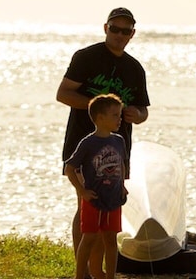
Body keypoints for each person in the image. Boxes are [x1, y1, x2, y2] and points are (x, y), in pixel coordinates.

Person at [56, 8, 151, 258]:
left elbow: (143, 111)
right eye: (115, 29)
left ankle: (99, 270)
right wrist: (100, 107)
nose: (120, 35)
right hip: (84, 144)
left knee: (108, 209)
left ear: (132, 34)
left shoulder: (134, 68)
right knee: (87, 206)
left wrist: (136, 115)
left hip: (117, 150)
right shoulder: (86, 57)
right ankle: (83, 269)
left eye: (125, 31)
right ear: (105, 28)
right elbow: (63, 93)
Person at [64, 94, 129, 279]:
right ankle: (80, 275)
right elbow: (70, 169)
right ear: (100, 118)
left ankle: (110, 276)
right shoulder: (88, 143)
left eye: (120, 114)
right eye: (115, 115)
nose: (120, 119)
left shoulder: (118, 140)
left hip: (113, 198)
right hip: (93, 199)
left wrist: (122, 185)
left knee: (111, 239)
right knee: (90, 237)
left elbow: (121, 163)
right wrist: (82, 190)